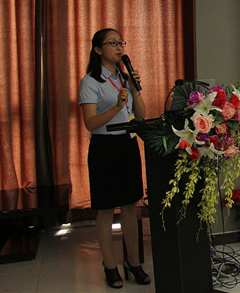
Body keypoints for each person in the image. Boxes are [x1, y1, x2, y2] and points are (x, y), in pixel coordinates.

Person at [78, 28, 151, 289]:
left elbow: (141, 115)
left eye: (121, 42)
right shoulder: (90, 81)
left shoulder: (124, 77)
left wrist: (135, 91)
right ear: (98, 49)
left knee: (131, 206)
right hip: (104, 148)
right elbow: (90, 123)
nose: (119, 47)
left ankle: (133, 262)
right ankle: (110, 265)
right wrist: (117, 107)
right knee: (106, 208)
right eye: (113, 43)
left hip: (127, 144)